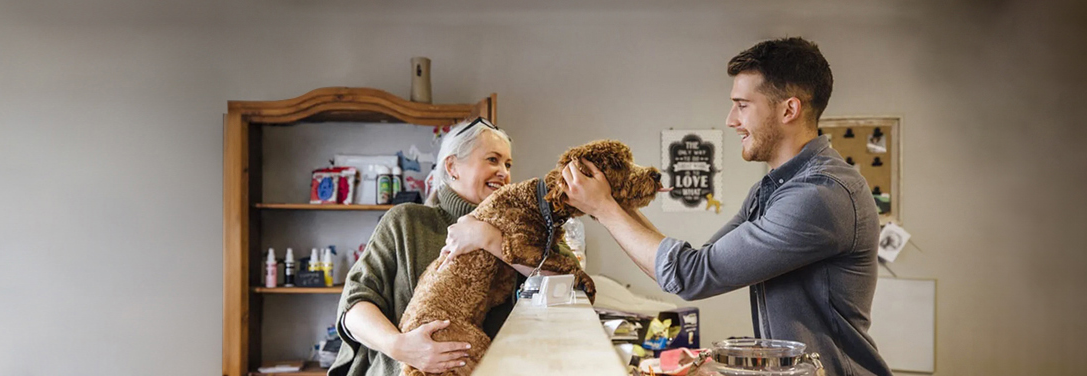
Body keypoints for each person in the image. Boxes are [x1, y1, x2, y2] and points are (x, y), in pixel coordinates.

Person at [443, 37, 892, 376]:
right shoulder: (774, 189)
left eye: (742, 106)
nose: (731, 119)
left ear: (789, 108)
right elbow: (688, 265)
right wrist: (614, 202)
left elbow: (692, 276)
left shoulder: (819, 195)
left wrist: (605, 209)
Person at [329, 118, 559, 376]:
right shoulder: (406, 222)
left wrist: (489, 239)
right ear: (452, 166)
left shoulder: (520, 231)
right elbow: (354, 305)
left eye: (508, 164)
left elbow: (565, 284)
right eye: (492, 160)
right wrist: (400, 347)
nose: (504, 172)